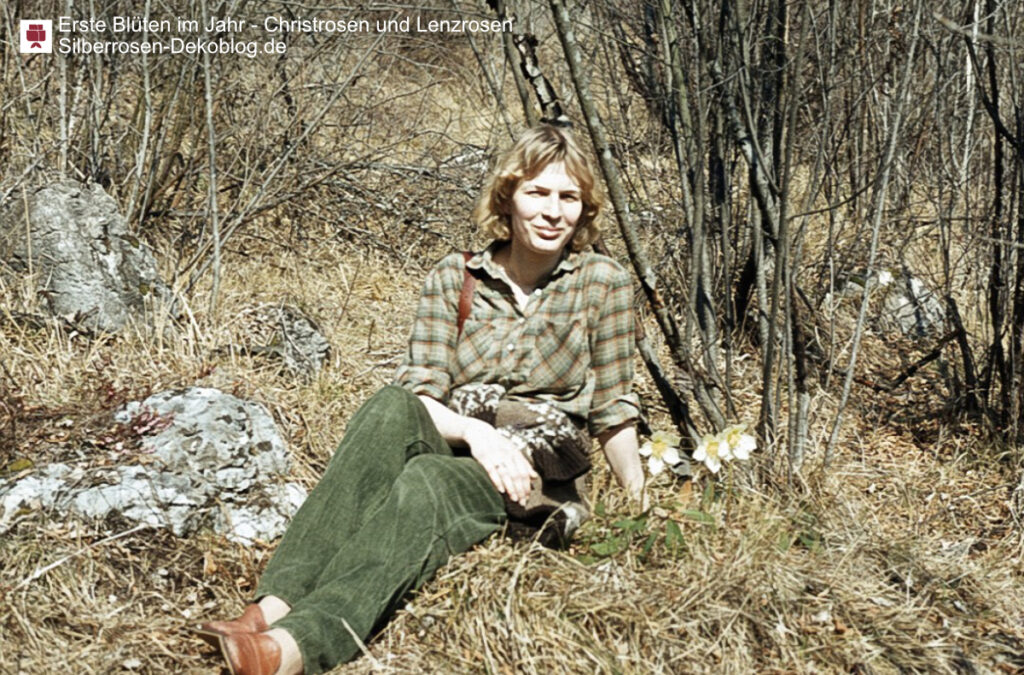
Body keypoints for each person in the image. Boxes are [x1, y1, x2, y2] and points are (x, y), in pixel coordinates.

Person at [196, 124, 646, 675]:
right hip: (463, 436)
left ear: (583, 209)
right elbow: (420, 391)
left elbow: (613, 407)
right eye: (538, 192)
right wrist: (479, 434)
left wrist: (639, 507)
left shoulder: (603, 282)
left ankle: (292, 650)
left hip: (537, 472)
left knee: (430, 480)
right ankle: (269, 609)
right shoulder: (456, 277)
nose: (553, 211)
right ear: (508, 197)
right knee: (390, 404)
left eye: (568, 197)